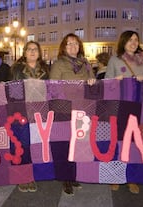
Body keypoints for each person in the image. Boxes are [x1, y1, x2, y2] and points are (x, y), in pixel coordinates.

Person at [105, 30, 143, 194]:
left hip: (138, 106)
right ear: (123, 42)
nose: (133, 42)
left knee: (134, 143)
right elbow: (107, 84)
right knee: (118, 141)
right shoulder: (115, 59)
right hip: (120, 107)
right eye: (130, 40)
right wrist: (115, 81)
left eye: (136, 40)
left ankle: (131, 177)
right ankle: (115, 176)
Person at [50, 33, 95, 195]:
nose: (72, 46)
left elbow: (93, 84)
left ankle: (74, 175)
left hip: (81, 110)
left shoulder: (86, 64)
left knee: (78, 144)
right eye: (69, 44)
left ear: (79, 46)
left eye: (75, 43)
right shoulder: (58, 64)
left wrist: (92, 81)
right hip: (63, 111)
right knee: (63, 145)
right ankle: (65, 178)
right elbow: (53, 88)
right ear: (64, 47)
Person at [10, 41, 49, 193]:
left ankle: (31, 175)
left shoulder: (46, 69)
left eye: (35, 49)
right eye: (29, 49)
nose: (32, 52)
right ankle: (22, 176)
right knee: (22, 144)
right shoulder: (16, 69)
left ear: (39, 53)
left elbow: (51, 89)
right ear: (24, 53)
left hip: (39, 112)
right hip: (21, 111)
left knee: (35, 145)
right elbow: (12, 91)